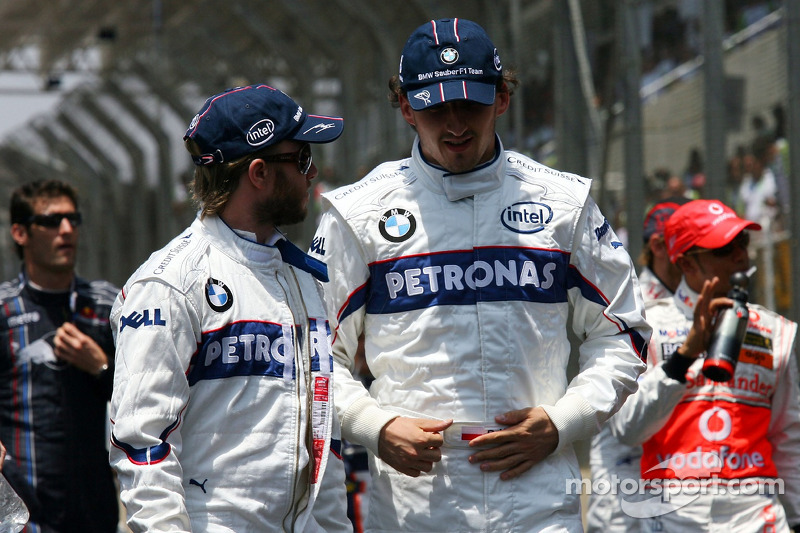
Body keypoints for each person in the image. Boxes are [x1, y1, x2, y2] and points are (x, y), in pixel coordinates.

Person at [309, 17, 650, 532]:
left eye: (469, 104)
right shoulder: (356, 215)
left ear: (502, 99)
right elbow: (310, 355)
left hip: (538, 500)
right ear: (405, 107)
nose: (454, 125)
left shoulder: (563, 204)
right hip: (413, 505)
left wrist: (563, 422)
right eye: (433, 107)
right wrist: (375, 427)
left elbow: (624, 334)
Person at [109, 84, 351, 532]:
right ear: (258, 173)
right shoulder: (169, 283)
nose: (313, 171)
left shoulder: (301, 278)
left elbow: (324, 437)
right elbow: (142, 442)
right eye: (301, 158)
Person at [611, 199, 800, 532]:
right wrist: (686, 355)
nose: (741, 255)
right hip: (673, 516)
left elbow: (788, 439)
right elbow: (627, 429)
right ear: (687, 264)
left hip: (757, 516)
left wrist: (797, 518)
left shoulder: (775, 331)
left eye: (742, 244)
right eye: (724, 249)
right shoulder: (646, 327)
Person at [0, 179, 119, 532]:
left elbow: (150, 399)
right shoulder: (4, 312)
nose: (66, 230)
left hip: (96, 512)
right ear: (20, 233)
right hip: (23, 516)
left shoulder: (107, 306)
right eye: (51, 221)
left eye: (72, 219)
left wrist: (101, 367)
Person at [585, 195, 687, 532]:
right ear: (659, 246)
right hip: (625, 491)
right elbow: (626, 422)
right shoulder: (631, 306)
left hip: (682, 488)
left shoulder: (702, 309)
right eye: (691, 244)